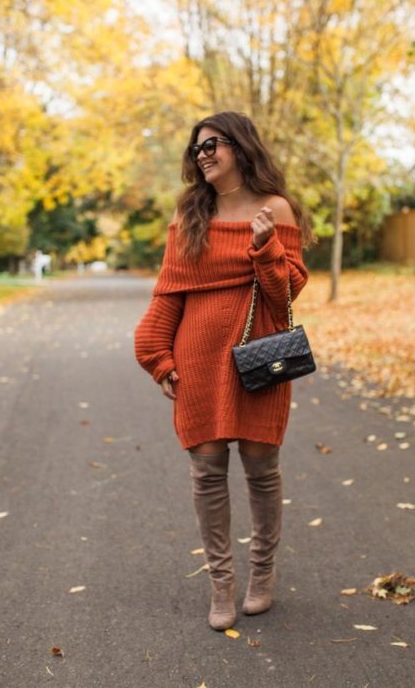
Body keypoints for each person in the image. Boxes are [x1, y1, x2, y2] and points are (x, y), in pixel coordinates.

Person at [134, 111, 313, 631]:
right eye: (197, 149)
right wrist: (155, 354)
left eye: (212, 144)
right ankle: (221, 583)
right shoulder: (191, 213)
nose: (203, 154)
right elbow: (169, 292)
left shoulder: (275, 209)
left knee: (261, 470)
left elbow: (284, 296)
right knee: (208, 473)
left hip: (260, 356)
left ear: (241, 145)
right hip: (197, 361)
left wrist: (266, 246)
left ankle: (261, 574)